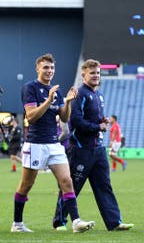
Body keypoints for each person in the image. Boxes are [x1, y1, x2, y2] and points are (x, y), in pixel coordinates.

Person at [11, 53, 95, 233]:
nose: (49, 71)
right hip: (35, 144)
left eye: (52, 68)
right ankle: (17, 224)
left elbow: (64, 117)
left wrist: (68, 103)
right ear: (38, 69)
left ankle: (76, 222)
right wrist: (48, 100)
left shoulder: (56, 91)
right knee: (27, 185)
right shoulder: (30, 88)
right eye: (46, 67)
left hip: (54, 144)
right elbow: (31, 117)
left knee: (67, 180)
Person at [52, 60, 133, 231]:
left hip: (98, 149)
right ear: (84, 75)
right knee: (72, 186)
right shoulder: (80, 94)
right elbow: (75, 121)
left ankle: (114, 223)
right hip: (81, 149)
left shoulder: (99, 95)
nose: (96, 76)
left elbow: (93, 120)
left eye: (98, 73)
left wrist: (100, 121)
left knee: (105, 186)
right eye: (92, 73)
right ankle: (60, 221)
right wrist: (98, 126)